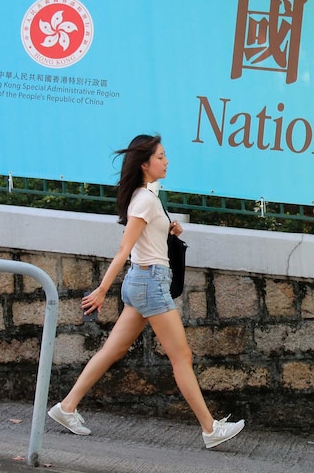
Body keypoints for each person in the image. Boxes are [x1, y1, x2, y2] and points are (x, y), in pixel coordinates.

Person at [48, 134, 245, 449]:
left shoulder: (147, 198)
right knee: (182, 356)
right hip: (149, 283)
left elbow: (145, 237)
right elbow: (124, 248)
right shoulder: (144, 200)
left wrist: (170, 228)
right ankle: (210, 429)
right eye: (161, 157)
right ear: (144, 164)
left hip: (144, 281)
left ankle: (66, 407)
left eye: (165, 156)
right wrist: (101, 290)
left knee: (112, 351)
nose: (167, 161)